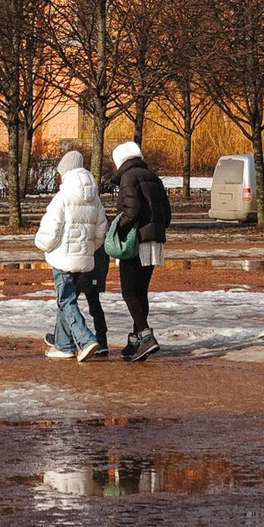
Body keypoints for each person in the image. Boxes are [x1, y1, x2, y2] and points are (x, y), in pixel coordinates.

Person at [33, 148, 109, 361]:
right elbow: (102, 229)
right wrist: (89, 248)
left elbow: (50, 230)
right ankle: (64, 345)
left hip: (62, 258)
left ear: (65, 172)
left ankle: (85, 340)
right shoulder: (95, 198)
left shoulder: (62, 197)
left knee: (66, 300)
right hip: (84, 258)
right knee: (67, 300)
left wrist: (44, 246)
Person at [107, 139, 173, 361]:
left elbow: (132, 209)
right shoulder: (153, 177)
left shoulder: (128, 177)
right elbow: (166, 212)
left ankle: (145, 335)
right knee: (141, 291)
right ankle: (136, 341)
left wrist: (118, 227)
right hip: (154, 241)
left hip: (136, 240)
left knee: (128, 291)